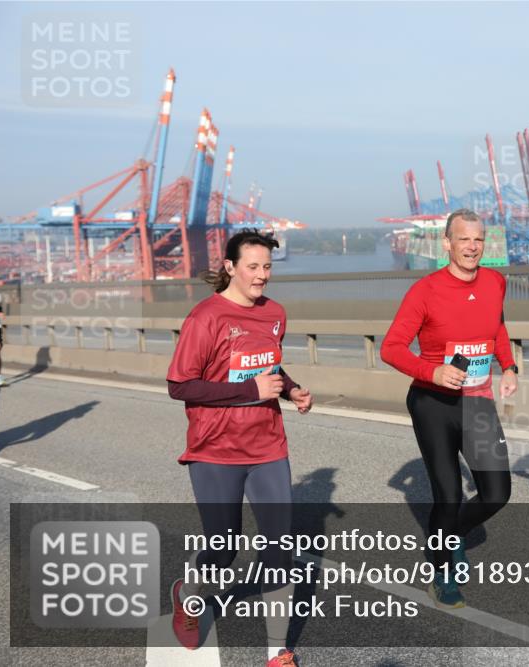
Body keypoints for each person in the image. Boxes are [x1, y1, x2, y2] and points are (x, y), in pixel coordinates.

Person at [166, 229, 313, 666]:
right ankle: (188, 594)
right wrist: (251, 389)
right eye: (252, 266)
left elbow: (269, 366)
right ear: (230, 266)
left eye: (267, 267)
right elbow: (180, 385)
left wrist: (290, 390)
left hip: (267, 447)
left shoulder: (275, 314)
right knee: (223, 547)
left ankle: (276, 653)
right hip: (215, 451)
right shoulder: (205, 318)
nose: (261, 275)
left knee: (279, 550)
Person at [380, 208, 519, 609]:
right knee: (449, 495)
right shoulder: (425, 290)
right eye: (464, 239)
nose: (472, 247)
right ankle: (442, 573)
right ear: (447, 244)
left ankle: (446, 537)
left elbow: (497, 327)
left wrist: (507, 366)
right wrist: (431, 371)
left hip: (477, 401)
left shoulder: (495, 282)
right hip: (433, 403)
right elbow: (391, 347)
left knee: (496, 493)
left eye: (478, 239)